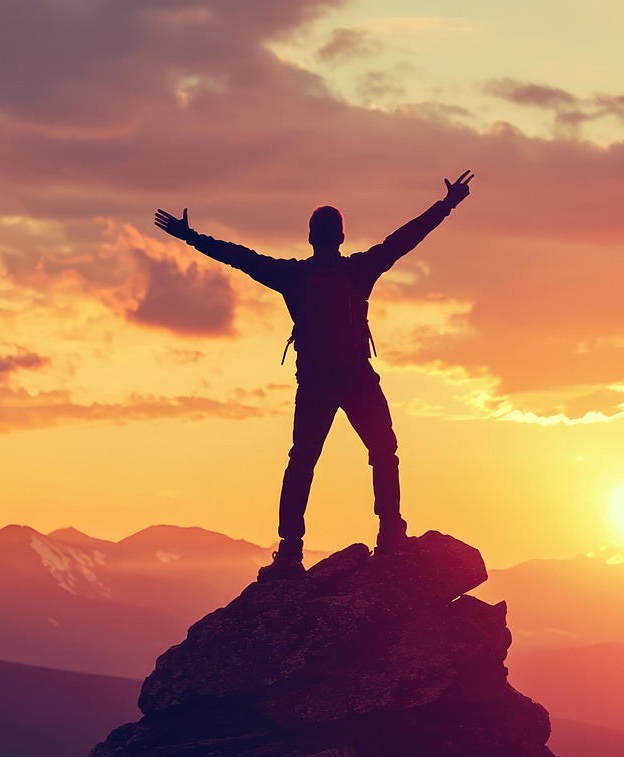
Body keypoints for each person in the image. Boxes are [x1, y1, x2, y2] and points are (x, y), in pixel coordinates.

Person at [154, 170, 474, 581]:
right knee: (383, 453)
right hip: (358, 378)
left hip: (316, 384)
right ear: (340, 238)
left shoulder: (293, 276)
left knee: (302, 462)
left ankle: (289, 553)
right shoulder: (360, 270)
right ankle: (391, 534)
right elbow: (405, 239)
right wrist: (446, 206)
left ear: (310, 238)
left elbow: (239, 256)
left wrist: (191, 236)